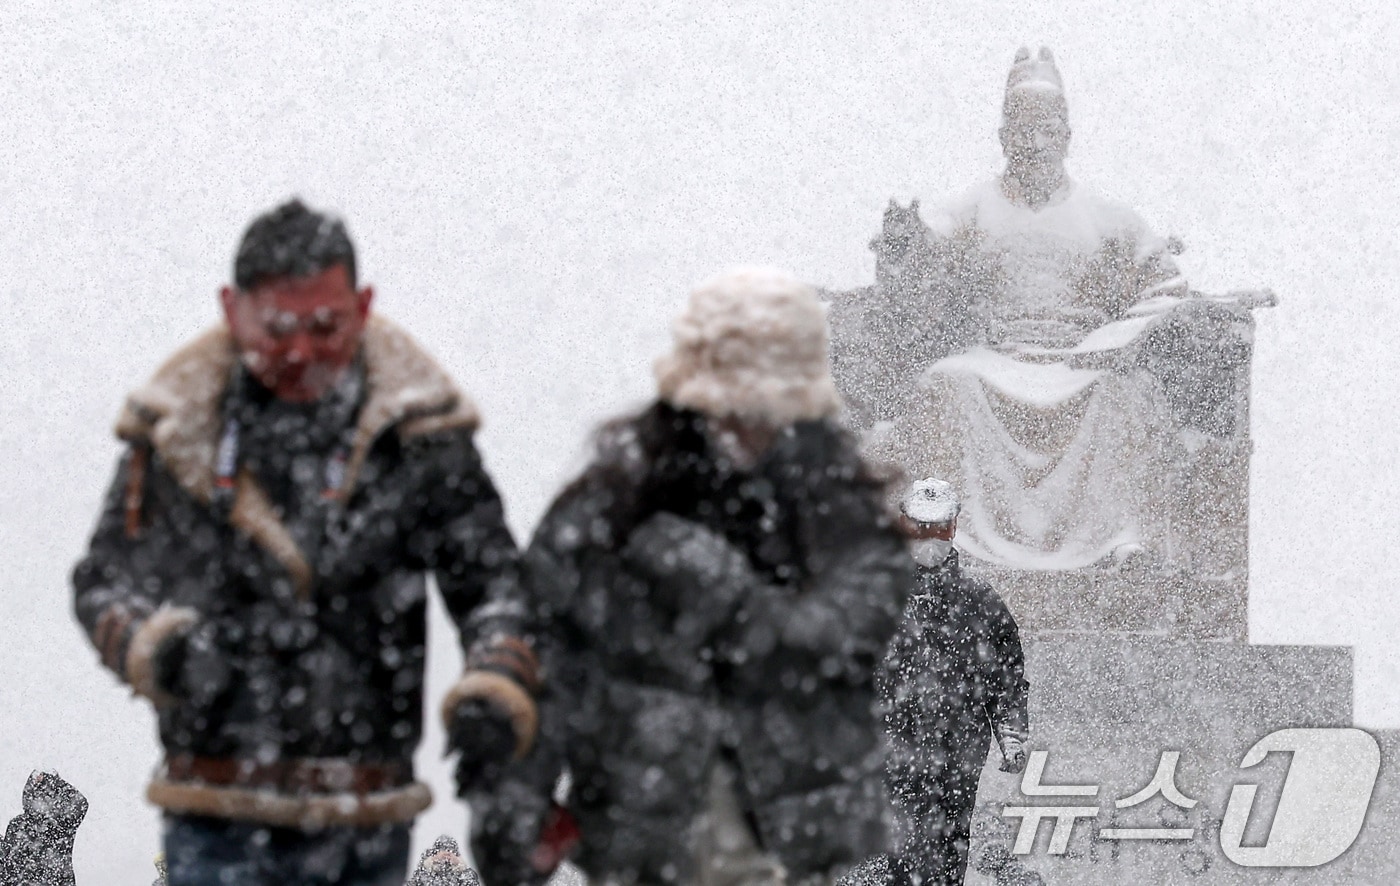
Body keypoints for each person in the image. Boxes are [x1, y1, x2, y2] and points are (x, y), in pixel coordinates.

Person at [71, 199, 540, 886]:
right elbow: (104, 580)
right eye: (278, 329)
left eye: (326, 327)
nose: (301, 352)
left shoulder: (424, 436)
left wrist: (495, 686)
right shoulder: (176, 434)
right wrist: (161, 651)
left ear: (364, 306)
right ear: (231, 310)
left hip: (367, 815)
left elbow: (496, 585)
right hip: (215, 808)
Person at [504, 267, 913, 885]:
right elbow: (539, 646)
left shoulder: (837, 510)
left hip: (787, 830)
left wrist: (725, 593)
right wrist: (523, 793)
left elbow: (839, 637)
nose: (750, 415)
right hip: (643, 827)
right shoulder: (611, 504)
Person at [837, 47, 1193, 571]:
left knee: (1122, 394)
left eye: (1048, 130)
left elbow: (1168, 287)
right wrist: (903, 243)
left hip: (1078, 362)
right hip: (997, 358)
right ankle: (947, 532)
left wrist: (1110, 342)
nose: (1037, 143)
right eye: (1024, 130)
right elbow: (921, 263)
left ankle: (1117, 539)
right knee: (946, 382)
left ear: (1067, 137)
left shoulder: (1108, 218)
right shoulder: (975, 207)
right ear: (1004, 137)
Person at [879, 478, 1030, 886]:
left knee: (947, 852)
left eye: (939, 528)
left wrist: (1011, 731)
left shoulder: (979, 602)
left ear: (954, 528)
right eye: (920, 529)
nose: (930, 540)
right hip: (887, 754)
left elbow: (1006, 677)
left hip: (957, 756)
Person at [0, 770, 88, 886]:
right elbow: (7, 861)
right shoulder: (17, 824)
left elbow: (80, 804)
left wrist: (48, 780)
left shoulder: (58, 825)